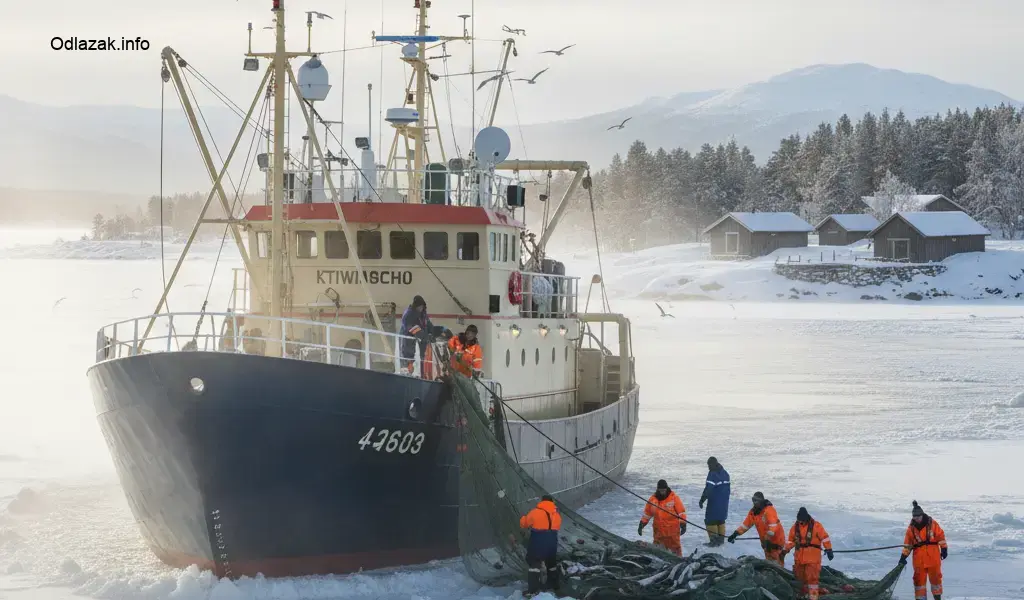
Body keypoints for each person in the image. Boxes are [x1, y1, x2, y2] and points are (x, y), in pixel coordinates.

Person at [781, 507, 833, 600]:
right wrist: (784, 551)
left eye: (802, 520)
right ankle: (801, 597)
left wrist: (829, 549)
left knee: (812, 581)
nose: (801, 522)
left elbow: (825, 537)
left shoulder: (816, 526)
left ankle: (813, 598)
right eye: (800, 520)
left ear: (806, 518)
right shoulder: (795, 527)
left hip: (812, 559)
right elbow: (790, 541)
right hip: (799, 559)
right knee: (799, 580)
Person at [899, 501, 947, 600]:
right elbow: (908, 544)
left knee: (936, 579)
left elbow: (940, 536)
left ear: (922, 515)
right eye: (914, 517)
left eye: (918, 517)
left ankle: (937, 597)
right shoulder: (911, 528)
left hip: (933, 557)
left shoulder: (932, 524)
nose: (916, 519)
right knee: (919, 581)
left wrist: (944, 548)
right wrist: (903, 557)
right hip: (919, 560)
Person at [519, 494, 561, 595]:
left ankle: (533, 590)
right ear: (552, 502)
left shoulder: (535, 512)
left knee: (535, 563)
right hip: (552, 542)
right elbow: (557, 526)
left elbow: (524, 524)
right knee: (551, 563)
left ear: (542, 501)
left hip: (539, 541)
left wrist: (523, 517)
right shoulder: (556, 515)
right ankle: (553, 585)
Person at [727, 491, 785, 564]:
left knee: (777, 563)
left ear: (761, 501)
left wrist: (768, 538)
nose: (755, 503)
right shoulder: (753, 513)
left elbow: (773, 525)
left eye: (757, 500)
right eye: (753, 500)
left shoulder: (769, 510)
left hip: (776, 541)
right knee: (770, 562)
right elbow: (745, 525)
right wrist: (735, 534)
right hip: (766, 542)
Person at [638, 479, 687, 556]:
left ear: (666, 489)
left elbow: (681, 512)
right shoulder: (652, 499)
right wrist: (641, 525)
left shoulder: (674, 498)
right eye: (660, 490)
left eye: (664, 490)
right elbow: (647, 514)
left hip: (672, 532)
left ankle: (678, 559)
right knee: (657, 550)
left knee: (675, 549)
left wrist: (683, 524)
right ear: (658, 489)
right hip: (658, 532)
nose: (662, 492)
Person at [699, 456, 730, 546]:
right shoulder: (725, 473)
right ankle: (721, 541)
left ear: (714, 464)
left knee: (710, 520)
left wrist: (702, 500)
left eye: (709, 465)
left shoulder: (712, 474)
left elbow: (708, 489)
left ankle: (714, 542)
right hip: (724, 503)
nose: (708, 467)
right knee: (721, 520)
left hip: (714, 502)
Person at [399, 295, 433, 374]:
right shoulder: (408, 314)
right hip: (408, 340)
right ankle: (407, 371)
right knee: (407, 358)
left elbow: (428, 323)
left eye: (422, 307)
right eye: (419, 307)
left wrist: (431, 333)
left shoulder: (423, 314)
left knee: (421, 359)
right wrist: (424, 336)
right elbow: (410, 327)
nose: (421, 308)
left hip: (421, 342)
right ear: (415, 306)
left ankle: (420, 372)